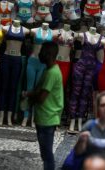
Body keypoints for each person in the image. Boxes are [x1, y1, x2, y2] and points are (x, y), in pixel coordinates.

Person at [24, 42, 63, 170]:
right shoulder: (49, 70)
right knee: (45, 154)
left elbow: (41, 97)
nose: (40, 54)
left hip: (48, 118)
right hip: (44, 117)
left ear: (49, 55)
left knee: (47, 155)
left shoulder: (52, 73)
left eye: (42, 52)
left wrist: (29, 94)